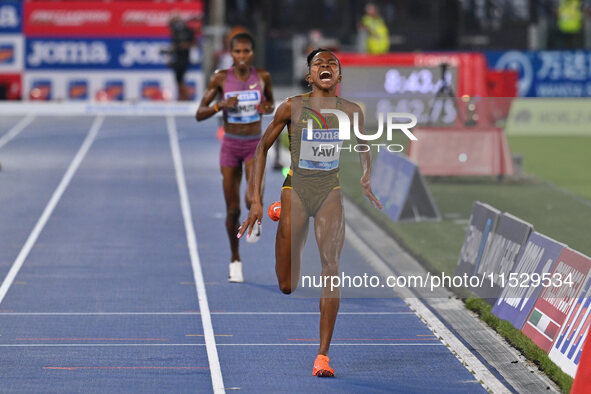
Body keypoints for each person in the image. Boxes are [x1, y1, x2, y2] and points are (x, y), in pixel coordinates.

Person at [238, 49, 383, 377]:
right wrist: (257, 201)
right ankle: (280, 209)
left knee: (331, 267)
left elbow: (362, 143)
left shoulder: (350, 111)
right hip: (297, 189)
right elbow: (262, 148)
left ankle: (322, 356)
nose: (327, 67)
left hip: (329, 191)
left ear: (339, 77)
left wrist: (365, 176)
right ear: (310, 76)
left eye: (333, 64)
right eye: (320, 64)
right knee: (287, 284)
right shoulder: (291, 107)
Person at [196, 33, 274, 283]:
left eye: (246, 51)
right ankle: (235, 259)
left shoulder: (262, 77)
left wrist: (266, 108)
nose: (242, 56)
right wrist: (221, 105)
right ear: (231, 54)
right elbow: (199, 113)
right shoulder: (220, 78)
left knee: (252, 197)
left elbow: (270, 103)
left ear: (252, 53)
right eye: (237, 52)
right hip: (230, 145)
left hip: (254, 145)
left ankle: (256, 213)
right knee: (232, 209)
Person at [168, 14, 196, 101]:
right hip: (177, 58)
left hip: (184, 58)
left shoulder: (188, 31)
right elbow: (174, 46)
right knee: (178, 79)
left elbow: (194, 43)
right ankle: (182, 96)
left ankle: (184, 97)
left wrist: (184, 45)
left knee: (181, 79)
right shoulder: (175, 32)